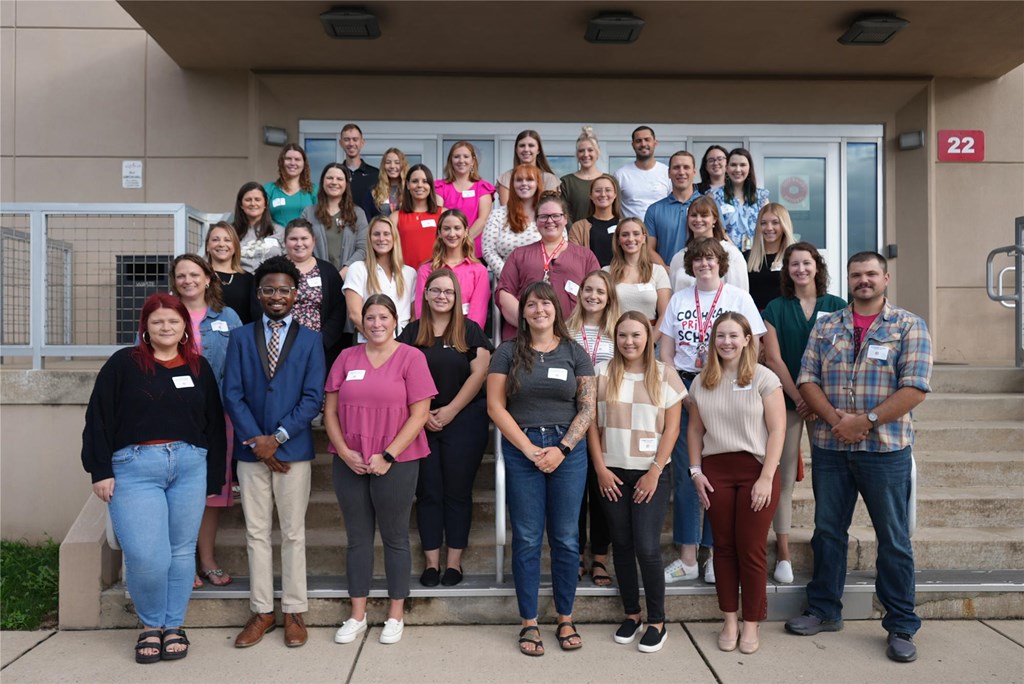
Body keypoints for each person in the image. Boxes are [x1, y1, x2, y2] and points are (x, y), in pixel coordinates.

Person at [785, 251, 932, 664]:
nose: (863, 280)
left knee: (894, 539)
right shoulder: (828, 324)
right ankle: (824, 609)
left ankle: (902, 624)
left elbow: (915, 388)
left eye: (871, 274)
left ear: (885, 277)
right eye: (856, 275)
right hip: (831, 448)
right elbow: (807, 379)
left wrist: (864, 421)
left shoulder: (908, 326)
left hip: (885, 450)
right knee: (828, 531)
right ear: (847, 280)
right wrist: (837, 421)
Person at [82, 293, 226, 664]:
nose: (166, 327)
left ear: (184, 328)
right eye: (158, 321)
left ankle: (172, 625)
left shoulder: (198, 367)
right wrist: (100, 470)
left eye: (174, 322)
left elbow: (213, 424)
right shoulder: (123, 365)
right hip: (134, 467)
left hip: (190, 465)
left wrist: (214, 477)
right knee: (147, 554)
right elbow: (98, 417)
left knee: (181, 551)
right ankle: (150, 626)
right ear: (145, 327)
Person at [487, 281, 596, 656]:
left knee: (566, 538)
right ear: (522, 312)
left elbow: (587, 408)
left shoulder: (574, 352)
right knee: (529, 538)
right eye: (531, 305)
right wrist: (531, 448)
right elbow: (496, 407)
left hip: (568, 451)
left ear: (557, 310)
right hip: (523, 449)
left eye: (545, 304)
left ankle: (565, 616)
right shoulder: (506, 352)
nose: (539, 311)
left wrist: (562, 448)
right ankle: (529, 622)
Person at [224, 256, 325, 650]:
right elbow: (232, 393)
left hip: (292, 452)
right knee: (256, 533)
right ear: (259, 293)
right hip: (251, 452)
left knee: (294, 533)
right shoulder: (241, 337)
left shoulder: (311, 339)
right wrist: (258, 442)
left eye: (284, 289)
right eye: (269, 289)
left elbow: (313, 396)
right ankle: (263, 610)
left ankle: (294, 611)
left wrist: (277, 438)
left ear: (296, 294)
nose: (277, 296)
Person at [325, 293, 437, 645]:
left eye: (383, 317)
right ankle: (356, 616)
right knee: (357, 539)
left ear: (395, 321)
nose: (376, 324)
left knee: (395, 538)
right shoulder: (346, 357)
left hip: (397, 461)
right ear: (362, 322)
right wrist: (344, 452)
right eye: (370, 317)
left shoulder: (411, 357)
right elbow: (329, 412)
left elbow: (420, 414)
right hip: (350, 461)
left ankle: (394, 615)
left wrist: (387, 455)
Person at [659, 238, 766, 586]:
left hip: (726, 387)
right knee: (688, 474)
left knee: (718, 473)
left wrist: (732, 388)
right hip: (686, 388)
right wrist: (687, 396)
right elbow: (666, 355)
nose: (705, 264)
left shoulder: (738, 298)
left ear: (721, 263)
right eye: (698, 259)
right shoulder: (678, 299)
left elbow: (754, 346)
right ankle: (688, 557)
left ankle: (714, 555)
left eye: (711, 258)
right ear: (690, 265)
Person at [689, 313, 785, 655]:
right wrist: (695, 471)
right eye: (720, 336)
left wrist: (766, 478)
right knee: (724, 549)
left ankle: (751, 623)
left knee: (751, 548)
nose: (726, 342)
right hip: (716, 470)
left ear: (748, 339)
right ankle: (729, 620)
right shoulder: (703, 380)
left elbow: (777, 431)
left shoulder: (764, 378)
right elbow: (696, 431)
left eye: (734, 336)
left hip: (756, 468)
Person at [589, 312, 685, 653]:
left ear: (649, 337)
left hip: (651, 473)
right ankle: (632, 613)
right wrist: (599, 468)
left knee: (646, 546)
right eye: (623, 335)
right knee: (623, 545)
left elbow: (672, 428)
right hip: (612, 472)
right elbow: (591, 426)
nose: (630, 341)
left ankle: (658, 620)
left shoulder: (665, 374)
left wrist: (655, 470)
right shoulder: (601, 373)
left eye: (636, 335)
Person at [398, 272, 493, 587]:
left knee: (457, 492)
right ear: (424, 295)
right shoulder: (411, 333)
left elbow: (479, 374)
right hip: (419, 422)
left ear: (457, 297)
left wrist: (451, 410)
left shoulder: (471, 331)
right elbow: (398, 376)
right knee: (428, 492)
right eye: (435, 290)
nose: (441, 296)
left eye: (448, 292)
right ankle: (430, 563)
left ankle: (454, 564)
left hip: (464, 420)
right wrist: (422, 413)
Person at [762, 242, 846, 584]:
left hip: (828, 403)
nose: (800, 269)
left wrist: (817, 400)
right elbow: (773, 359)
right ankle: (782, 553)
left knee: (830, 478)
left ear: (817, 267)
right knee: (782, 479)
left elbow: (844, 354)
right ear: (788, 270)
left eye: (806, 263)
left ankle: (827, 547)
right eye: (794, 264)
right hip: (789, 403)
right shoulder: (775, 308)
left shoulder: (838, 306)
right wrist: (800, 397)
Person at [169, 254, 243, 590]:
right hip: (175, 416)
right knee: (180, 491)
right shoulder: (165, 316)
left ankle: (208, 560)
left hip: (218, 415)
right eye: (181, 275)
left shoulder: (227, 317)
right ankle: (183, 562)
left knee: (212, 491)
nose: (188, 280)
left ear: (208, 277)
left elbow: (243, 365)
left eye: (194, 274)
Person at [565, 270, 618, 587]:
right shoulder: (566, 330)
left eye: (600, 291)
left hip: (609, 418)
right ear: (579, 293)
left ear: (609, 297)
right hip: (571, 417)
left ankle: (599, 558)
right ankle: (573, 556)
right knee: (573, 494)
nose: (593, 296)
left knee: (602, 493)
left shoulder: (618, 331)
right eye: (588, 289)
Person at [496, 192, 600, 340]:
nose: (550, 221)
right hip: (524, 339)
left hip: (572, 338)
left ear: (565, 219)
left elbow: (597, 296)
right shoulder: (519, 255)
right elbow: (504, 294)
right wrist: (532, 324)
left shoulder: (585, 256)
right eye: (543, 216)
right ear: (536, 221)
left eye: (556, 215)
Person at [283, 218, 348, 368]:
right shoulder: (272, 270)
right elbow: (260, 304)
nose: (299, 244)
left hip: (318, 347)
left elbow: (339, 309)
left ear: (314, 240)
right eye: (293, 239)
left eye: (304, 238)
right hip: (279, 345)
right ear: (285, 241)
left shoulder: (328, 271)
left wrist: (321, 341)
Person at [343, 215, 417, 341]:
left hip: (402, 343)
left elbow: (414, 315)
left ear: (394, 238)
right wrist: (380, 342)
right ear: (369, 238)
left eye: (386, 234)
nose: (381, 238)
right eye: (376, 234)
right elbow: (355, 314)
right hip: (368, 342)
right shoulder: (358, 269)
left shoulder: (409, 273)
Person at [414, 209, 490, 328]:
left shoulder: (479, 271)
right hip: (433, 336)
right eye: (446, 228)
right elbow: (421, 310)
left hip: (466, 336)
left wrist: (467, 338)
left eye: (457, 228)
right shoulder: (426, 269)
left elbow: (478, 313)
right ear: (439, 232)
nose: (452, 234)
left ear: (465, 231)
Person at [605, 218, 671, 339]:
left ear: (644, 238)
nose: (631, 239)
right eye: (625, 235)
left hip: (651, 338)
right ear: (618, 240)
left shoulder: (658, 271)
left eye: (636, 234)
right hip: (615, 339)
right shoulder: (606, 272)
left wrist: (652, 343)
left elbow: (665, 314)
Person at [301, 162, 368, 279]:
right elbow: (302, 246)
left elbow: (363, 248)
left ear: (346, 184)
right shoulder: (308, 213)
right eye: (330, 178)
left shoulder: (358, 213)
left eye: (339, 179)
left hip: (349, 278)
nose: (334, 182)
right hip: (315, 278)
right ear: (322, 182)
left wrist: (344, 272)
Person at [667, 197, 749, 292]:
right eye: (693, 215)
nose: (698, 220)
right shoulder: (679, 257)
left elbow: (739, 295)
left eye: (704, 215)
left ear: (714, 219)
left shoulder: (732, 254)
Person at [434, 141, 495, 258]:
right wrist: (453, 244)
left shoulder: (482, 187)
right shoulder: (440, 187)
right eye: (456, 157)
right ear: (450, 161)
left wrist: (462, 243)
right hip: (446, 250)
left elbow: (482, 220)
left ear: (473, 161)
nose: (461, 160)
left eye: (466, 157)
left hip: (473, 250)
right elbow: (439, 216)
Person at [482, 164, 544, 275]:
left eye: (529, 179)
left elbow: (561, 247)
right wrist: (509, 277)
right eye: (519, 180)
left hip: (543, 285)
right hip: (507, 285)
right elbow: (488, 251)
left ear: (537, 184)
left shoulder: (549, 214)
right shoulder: (498, 215)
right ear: (512, 184)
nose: (524, 183)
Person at [643, 150, 701, 267]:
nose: (681, 172)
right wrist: (668, 272)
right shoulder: (654, 210)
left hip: (701, 277)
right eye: (676, 167)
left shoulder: (709, 206)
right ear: (669, 173)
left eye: (686, 167)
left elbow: (719, 242)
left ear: (694, 172)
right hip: (666, 280)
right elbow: (648, 250)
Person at [710, 148, 770, 251]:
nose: (738, 169)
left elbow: (768, 228)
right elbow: (717, 230)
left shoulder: (761, 198)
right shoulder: (715, 197)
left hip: (757, 256)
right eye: (733, 165)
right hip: (727, 256)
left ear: (749, 168)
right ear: (727, 168)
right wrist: (735, 253)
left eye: (742, 165)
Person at [745, 203, 796, 311]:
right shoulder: (746, 257)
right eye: (763, 223)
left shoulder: (794, 257)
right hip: (754, 320)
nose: (769, 228)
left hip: (784, 317)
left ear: (784, 225)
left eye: (775, 222)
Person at [205, 221, 257, 324]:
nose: (221, 244)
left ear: (235, 246)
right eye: (215, 240)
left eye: (227, 240)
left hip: (241, 336)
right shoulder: (200, 277)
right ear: (207, 246)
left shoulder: (249, 279)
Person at [614, 126, 670, 220]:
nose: (643, 144)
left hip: (661, 232)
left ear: (655, 143)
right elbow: (613, 207)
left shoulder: (667, 172)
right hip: (631, 233)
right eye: (638, 141)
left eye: (647, 139)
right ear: (633, 145)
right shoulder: (621, 174)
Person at [568, 174, 623, 267]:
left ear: (615, 195)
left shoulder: (624, 226)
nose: (603, 194)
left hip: (620, 278)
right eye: (598, 191)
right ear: (591, 195)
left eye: (608, 190)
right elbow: (574, 259)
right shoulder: (578, 227)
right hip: (590, 278)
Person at [395, 163, 443, 270]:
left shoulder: (443, 214)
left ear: (430, 185)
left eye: (425, 181)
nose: (420, 185)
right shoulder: (395, 217)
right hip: (405, 277)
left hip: (435, 275)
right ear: (407, 185)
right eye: (415, 181)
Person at [496, 129, 560, 205]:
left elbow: (549, 209)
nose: (526, 149)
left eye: (531, 145)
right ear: (516, 150)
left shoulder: (549, 179)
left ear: (538, 150)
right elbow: (506, 210)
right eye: (522, 146)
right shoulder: (506, 178)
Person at [232, 182, 284, 273]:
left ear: (265, 203)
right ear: (241, 205)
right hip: (241, 282)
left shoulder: (280, 231)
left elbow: (289, 259)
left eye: (257, 199)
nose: (253, 203)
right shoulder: (231, 232)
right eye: (248, 200)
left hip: (271, 283)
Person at [264, 143, 318, 227]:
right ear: (281, 162)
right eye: (288, 159)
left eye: (297, 159)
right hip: (277, 238)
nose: (293, 163)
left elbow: (319, 220)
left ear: (304, 164)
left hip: (304, 239)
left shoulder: (313, 190)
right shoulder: (269, 189)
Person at [560, 126, 603, 223]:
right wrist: (574, 236)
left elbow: (616, 213)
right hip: (574, 236)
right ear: (576, 154)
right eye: (581, 151)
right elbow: (563, 215)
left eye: (590, 150)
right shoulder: (566, 182)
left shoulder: (609, 181)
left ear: (597, 153)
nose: (585, 154)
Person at [340, 123, 380, 220]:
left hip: (368, 230)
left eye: (355, 139)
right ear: (341, 143)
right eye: (347, 139)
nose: (351, 143)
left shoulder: (376, 174)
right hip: (341, 230)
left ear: (362, 142)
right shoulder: (336, 174)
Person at [371, 147, 408, 218]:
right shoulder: (374, 191)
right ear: (383, 166)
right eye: (388, 162)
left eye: (397, 162)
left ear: (403, 165)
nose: (392, 166)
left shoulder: (410, 190)